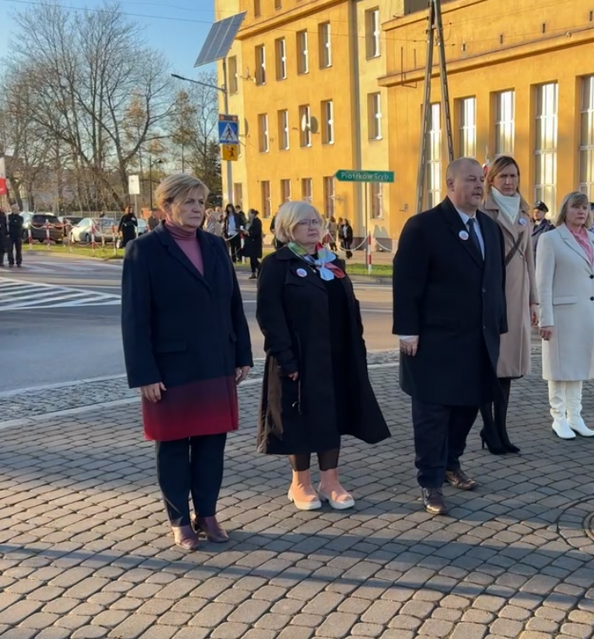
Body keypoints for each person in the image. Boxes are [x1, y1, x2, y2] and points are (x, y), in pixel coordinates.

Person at [120, 174, 254, 550]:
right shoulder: (143, 250)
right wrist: (144, 373)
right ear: (166, 207)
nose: (198, 209)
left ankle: (207, 514)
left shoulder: (215, 246)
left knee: (212, 443)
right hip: (169, 369)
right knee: (173, 445)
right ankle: (179, 520)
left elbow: (233, 305)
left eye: (201, 202)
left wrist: (242, 354)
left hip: (215, 360)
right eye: (189, 202)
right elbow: (135, 319)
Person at [256, 201, 391, 511]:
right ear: (288, 228)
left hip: (336, 355)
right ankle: (300, 483)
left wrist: (356, 351)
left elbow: (349, 308)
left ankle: (330, 481)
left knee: (332, 416)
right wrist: (286, 359)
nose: (313, 226)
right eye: (304, 222)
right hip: (298, 358)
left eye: (316, 221)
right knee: (300, 418)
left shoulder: (332, 262)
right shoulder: (277, 264)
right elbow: (271, 317)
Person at [392, 157, 507, 516]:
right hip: (434, 341)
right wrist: (407, 330)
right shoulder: (423, 226)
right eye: (470, 179)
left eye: (481, 180)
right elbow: (406, 282)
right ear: (450, 184)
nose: (478, 186)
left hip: (478, 339)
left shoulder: (489, 228)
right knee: (433, 413)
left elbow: (495, 282)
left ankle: (450, 462)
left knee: (469, 406)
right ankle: (430, 481)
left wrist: (498, 325)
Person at [536, 191, 594, 440]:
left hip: (586, 314)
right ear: (565, 210)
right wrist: (545, 319)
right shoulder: (551, 239)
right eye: (576, 207)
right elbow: (543, 283)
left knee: (579, 364)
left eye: (585, 208)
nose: (581, 212)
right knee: (559, 366)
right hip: (561, 314)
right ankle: (558, 416)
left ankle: (575, 415)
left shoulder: (592, 239)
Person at [477, 155, 536, 455]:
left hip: (517, 295)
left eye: (514, 176)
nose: (510, 181)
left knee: (508, 369)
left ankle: (501, 428)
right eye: (504, 176)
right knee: (489, 366)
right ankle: (489, 427)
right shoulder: (483, 210)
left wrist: (534, 300)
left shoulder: (525, 212)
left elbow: (530, 259)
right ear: (492, 180)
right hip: (492, 294)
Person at [244, 209, 264, 279]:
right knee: (251, 258)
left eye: (249, 214)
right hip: (250, 243)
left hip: (255, 243)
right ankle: (253, 272)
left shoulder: (257, 221)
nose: (248, 215)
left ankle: (261, 269)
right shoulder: (250, 221)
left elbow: (257, 231)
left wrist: (249, 233)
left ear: (253, 214)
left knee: (254, 258)